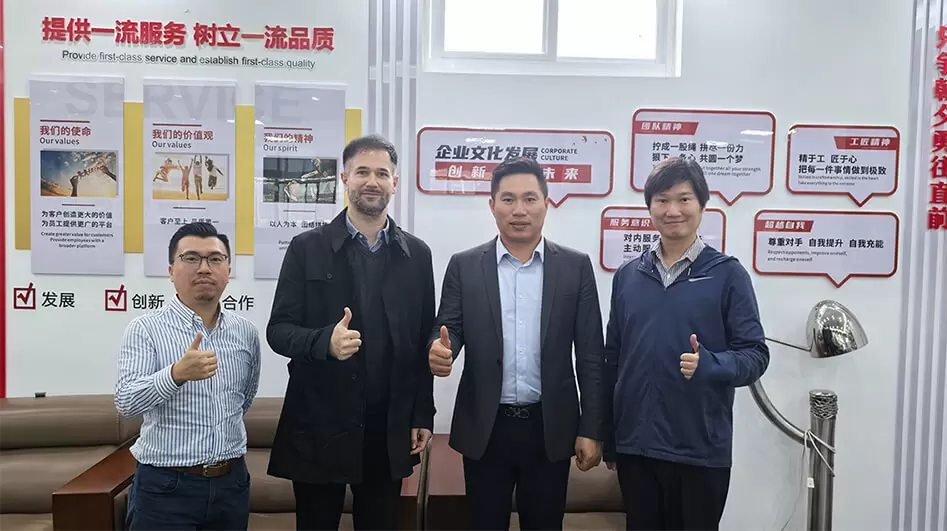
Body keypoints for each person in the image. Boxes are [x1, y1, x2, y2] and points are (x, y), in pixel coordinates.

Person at [266, 134, 437, 530]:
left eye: (382, 173)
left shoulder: (417, 255)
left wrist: (422, 413)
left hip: (386, 426)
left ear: (395, 182)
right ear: (344, 178)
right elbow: (278, 331)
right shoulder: (306, 248)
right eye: (362, 172)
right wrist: (322, 341)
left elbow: (421, 344)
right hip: (319, 421)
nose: (372, 181)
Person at [428, 156, 605, 530]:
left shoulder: (575, 267)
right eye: (508, 199)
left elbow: (590, 356)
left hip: (549, 428)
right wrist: (441, 351)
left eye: (529, 198)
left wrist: (591, 427)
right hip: (486, 428)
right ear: (492, 205)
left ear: (546, 203)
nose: (519, 210)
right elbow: (449, 328)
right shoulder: (464, 265)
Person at [603, 157, 770, 530]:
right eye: (662, 200)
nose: (673, 210)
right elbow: (612, 359)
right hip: (637, 448)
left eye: (684, 199)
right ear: (650, 207)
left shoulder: (727, 275)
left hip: (699, 451)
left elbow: (756, 355)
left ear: (702, 205)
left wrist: (712, 364)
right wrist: (610, 437)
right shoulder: (629, 276)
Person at [114, 222, 261, 530]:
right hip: (166, 487)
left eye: (215, 259)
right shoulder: (146, 329)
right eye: (191, 258)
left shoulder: (245, 332)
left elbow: (243, 399)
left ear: (228, 270)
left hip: (231, 485)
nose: (204, 268)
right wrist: (175, 375)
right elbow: (126, 401)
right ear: (171, 271)